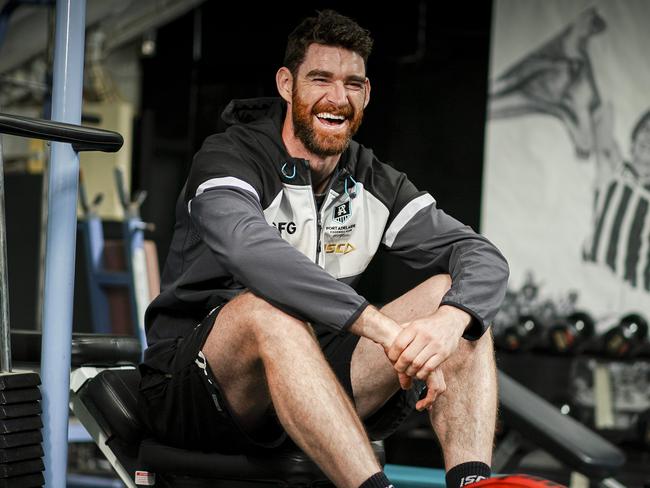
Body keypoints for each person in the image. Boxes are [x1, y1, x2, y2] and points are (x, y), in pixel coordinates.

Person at [139, 10, 509, 488]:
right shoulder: (231, 157)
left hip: (312, 376)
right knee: (266, 310)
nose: (338, 98)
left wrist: (448, 324)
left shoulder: (372, 179)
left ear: (367, 94)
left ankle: (472, 482)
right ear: (287, 84)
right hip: (194, 385)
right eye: (321, 79)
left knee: (452, 296)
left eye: (353, 83)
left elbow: (482, 256)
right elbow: (253, 254)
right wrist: (385, 331)